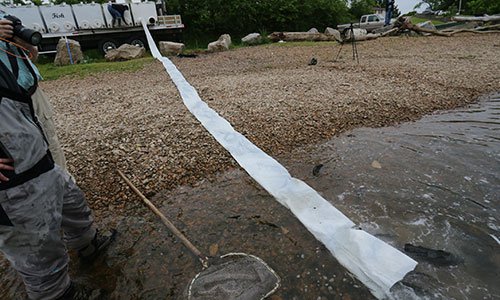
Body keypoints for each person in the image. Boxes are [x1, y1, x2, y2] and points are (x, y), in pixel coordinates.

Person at [0, 12, 116, 300]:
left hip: (34, 146)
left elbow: (31, 60)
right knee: (35, 247)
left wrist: (20, 40)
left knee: (72, 202)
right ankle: (57, 294)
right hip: (11, 180)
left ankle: (88, 246)